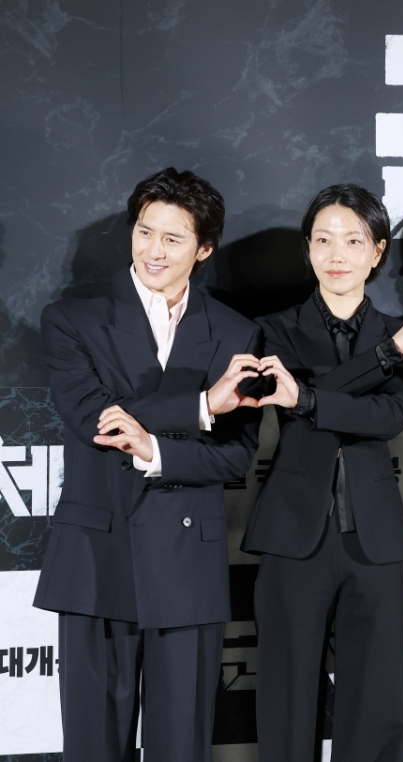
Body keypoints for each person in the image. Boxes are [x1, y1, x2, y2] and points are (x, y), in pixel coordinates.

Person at [34, 167, 262, 762]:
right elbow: (97, 420)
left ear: (203, 249)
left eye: (173, 238)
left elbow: (237, 452)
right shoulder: (72, 318)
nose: (153, 250)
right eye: (144, 231)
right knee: (93, 745)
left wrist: (156, 449)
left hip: (189, 566)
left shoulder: (236, 332)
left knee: (181, 746)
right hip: (97, 555)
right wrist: (202, 407)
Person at [242, 184, 403, 760]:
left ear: (377, 251)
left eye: (353, 241)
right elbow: (290, 400)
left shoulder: (399, 330)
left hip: (374, 536)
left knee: (377, 700)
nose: (337, 254)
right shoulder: (274, 329)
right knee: (285, 695)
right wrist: (383, 358)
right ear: (307, 248)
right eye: (323, 240)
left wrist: (309, 397)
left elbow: (389, 416)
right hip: (292, 533)